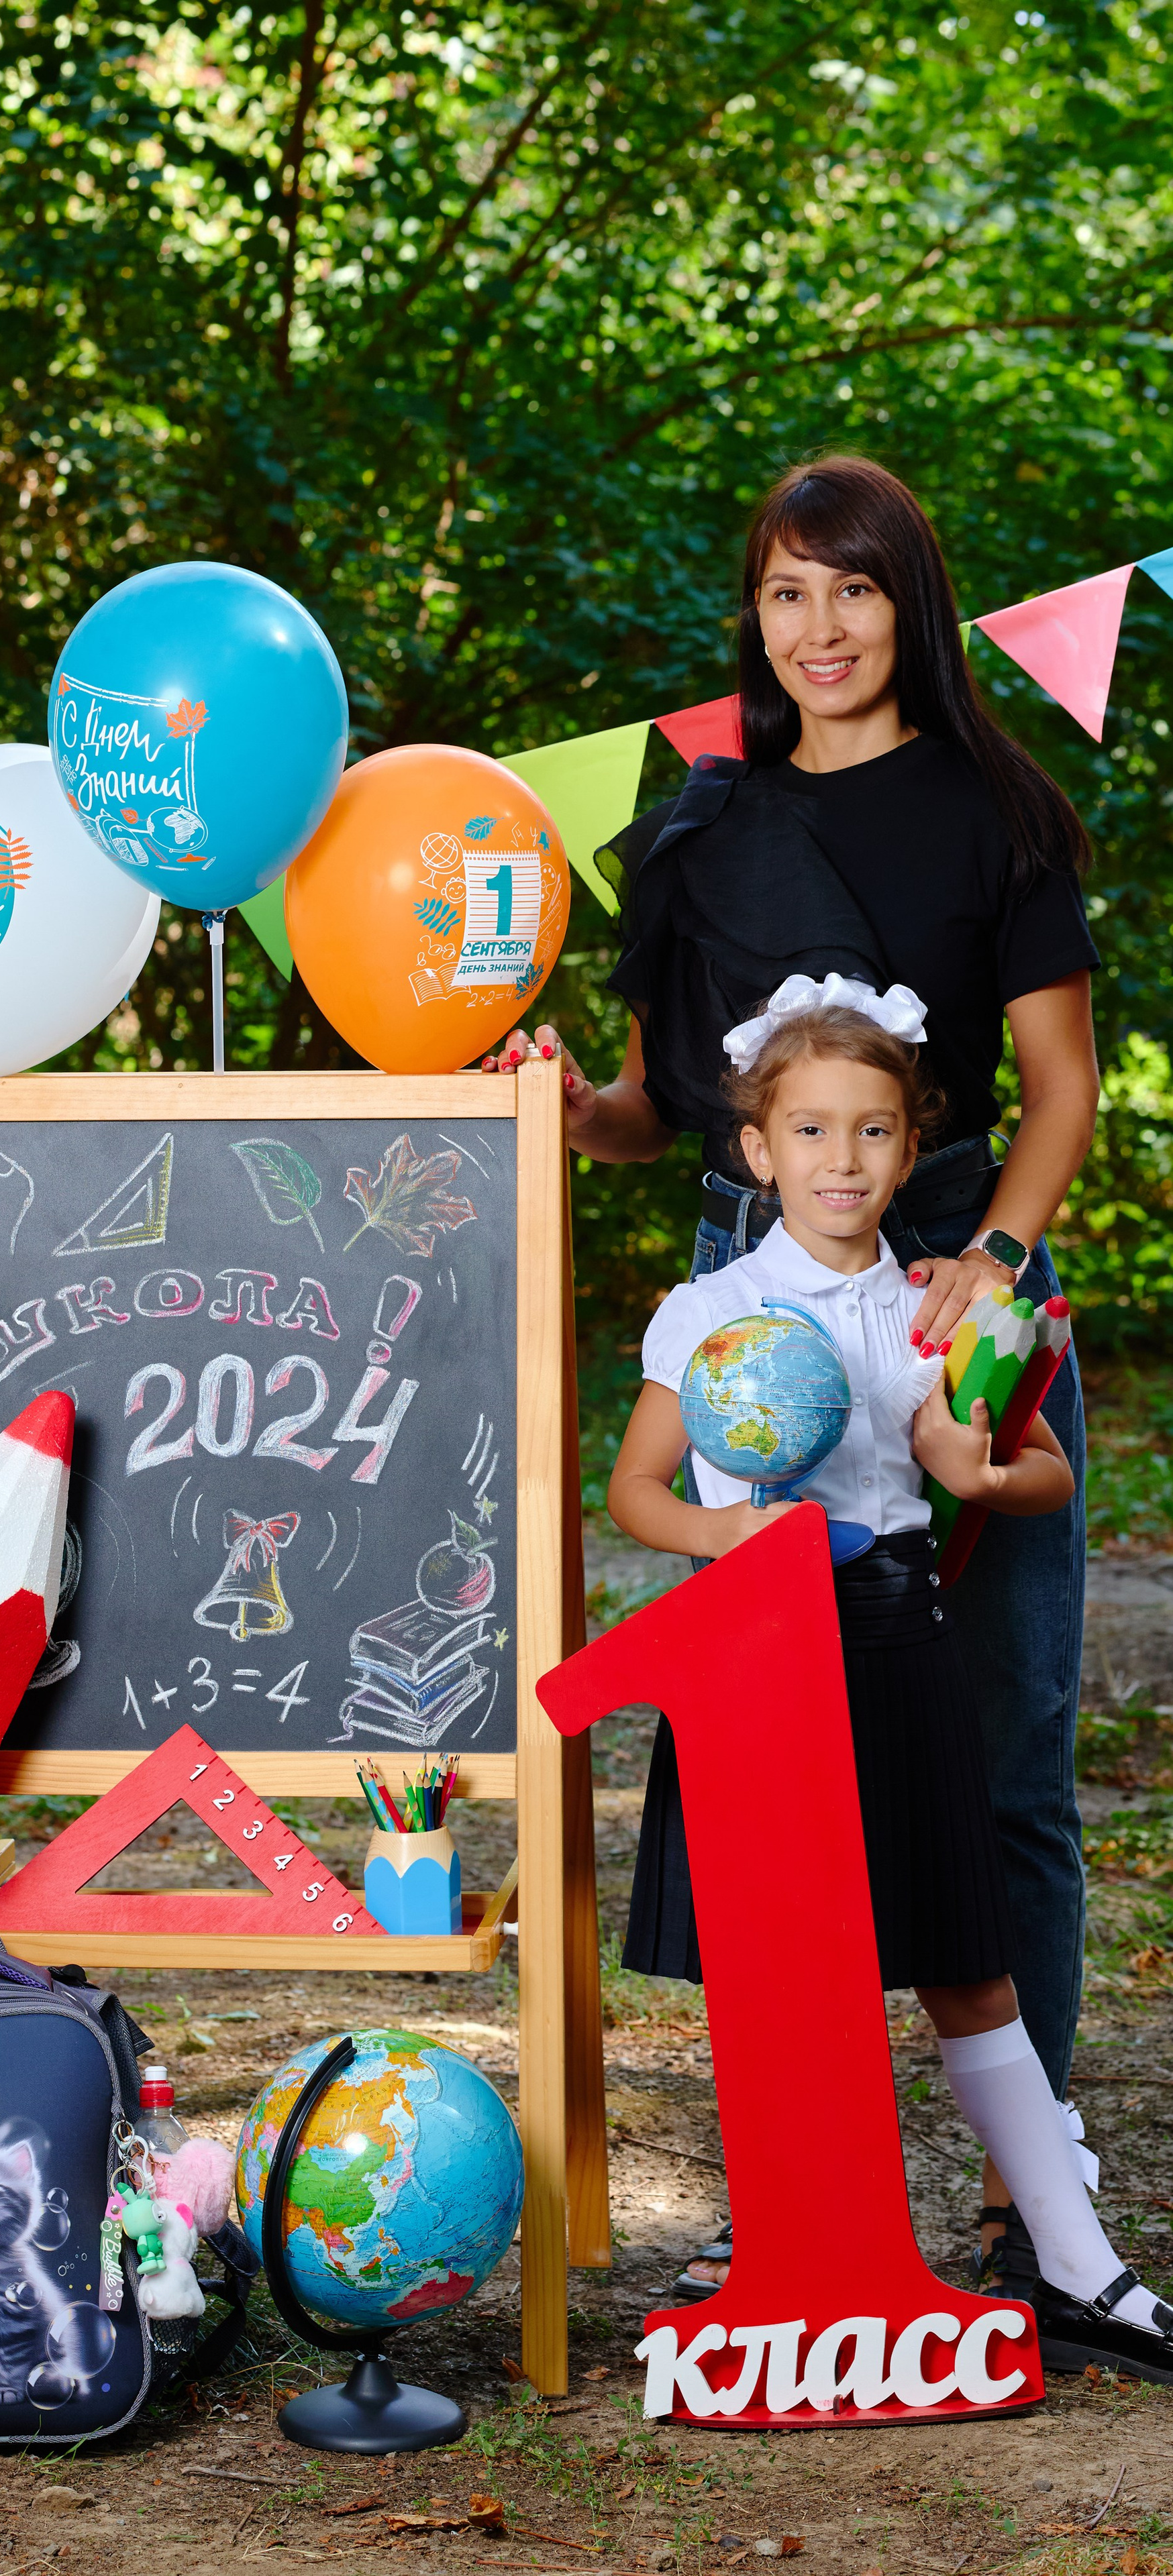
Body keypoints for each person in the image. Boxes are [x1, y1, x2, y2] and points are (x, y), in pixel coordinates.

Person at [491, 454, 1101, 2318]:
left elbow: (1060, 1087)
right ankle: (812, 2207)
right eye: (783, 596)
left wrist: (991, 1263)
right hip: (756, 1307)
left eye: (851, 592)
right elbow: (670, 1107)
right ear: (751, 622)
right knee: (789, 1773)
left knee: (999, 1749)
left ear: (910, 604)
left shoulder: (1003, 809)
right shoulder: (699, 827)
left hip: (953, 1291)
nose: (818, 631)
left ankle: (1033, 2215)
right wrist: (567, 1110)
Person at [605, 983, 1172, 2381]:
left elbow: (1015, 1469)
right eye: (808, 1130)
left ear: (909, 1152)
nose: (840, 1159)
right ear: (755, 1149)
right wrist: (719, 1530)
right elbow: (633, 1490)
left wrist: (988, 1468)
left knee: (967, 1970)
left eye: (870, 1131)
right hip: (753, 1650)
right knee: (776, 1971)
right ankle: (772, 2247)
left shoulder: (932, 1310)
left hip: (890, 1638)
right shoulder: (709, 1309)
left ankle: (1076, 2262)